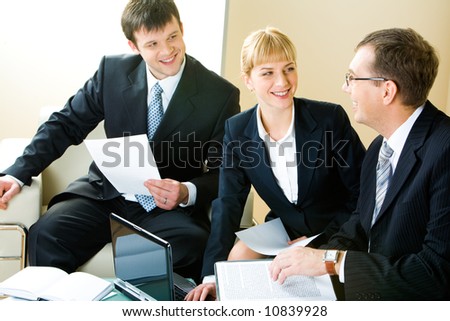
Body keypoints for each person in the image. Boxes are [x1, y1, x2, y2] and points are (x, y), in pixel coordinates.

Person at [0, 0, 240, 283]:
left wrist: (186, 191)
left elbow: (226, 171)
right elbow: (64, 124)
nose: (167, 51)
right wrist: (17, 174)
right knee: (46, 233)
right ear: (133, 46)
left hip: (167, 210)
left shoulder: (219, 94)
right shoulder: (111, 72)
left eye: (173, 37)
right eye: (152, 44)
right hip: (106, 195)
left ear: (182, 29)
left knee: (190, 245)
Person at [269, 27, 450, 300]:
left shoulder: (445, 150)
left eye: (352, 78)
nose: (345, 87)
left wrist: (332, 262)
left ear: (387, 91)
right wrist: (310, 258)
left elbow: (436, 273)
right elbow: (361, 225)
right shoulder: (380, 148)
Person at [185, 27, 366, 300]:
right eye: (267, 73)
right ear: (248, 80)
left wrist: (320, 242)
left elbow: (363, 193)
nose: (282, 82)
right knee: (235, 261)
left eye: (289, 69)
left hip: (335, 227)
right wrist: (211, 276)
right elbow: (228, 204)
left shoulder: (330, 119)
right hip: (286, 226)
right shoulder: (237, 130)